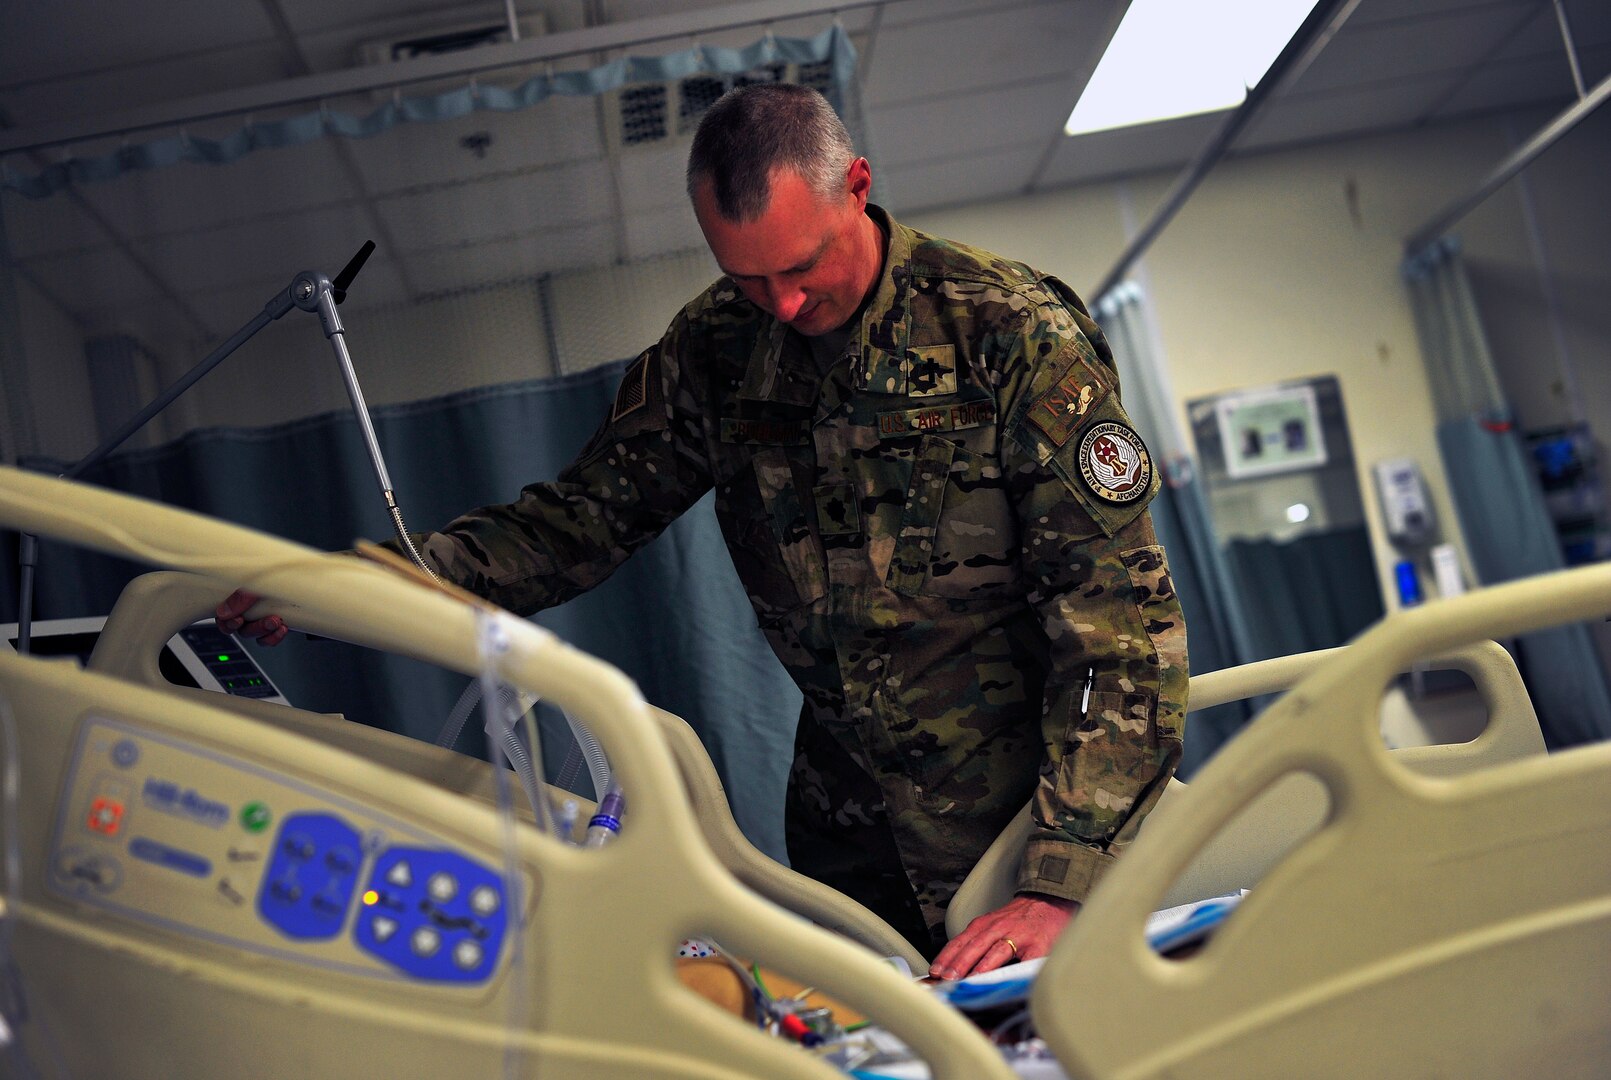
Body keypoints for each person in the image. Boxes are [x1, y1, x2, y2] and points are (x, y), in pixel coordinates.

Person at [219, 83, 1187, 979]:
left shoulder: (1008, 332)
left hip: (1030, 814)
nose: (786, 306)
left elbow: (1117, 624)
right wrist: (369, 584)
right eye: (750, 278)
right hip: (852, 833)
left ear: (857, 188)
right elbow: (575, 523)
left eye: (802, 268)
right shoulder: (719, 348)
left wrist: (1062, 880)